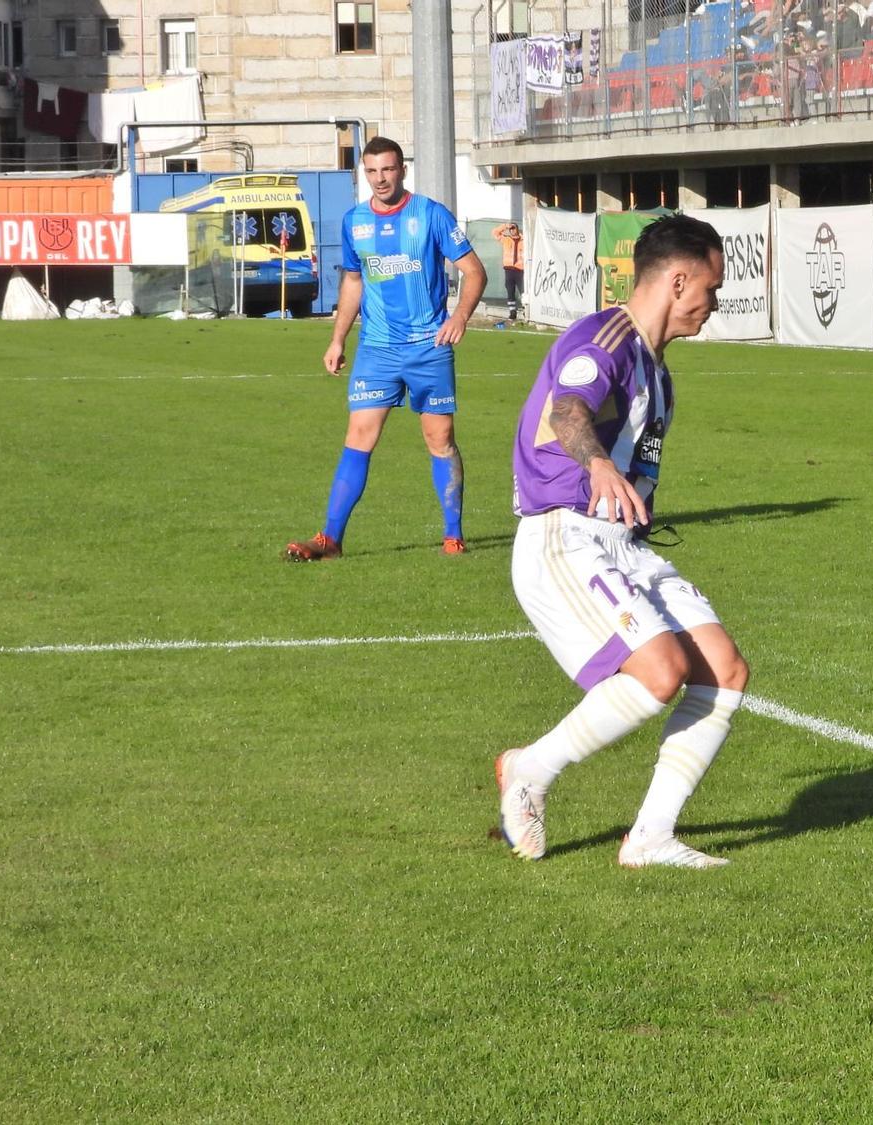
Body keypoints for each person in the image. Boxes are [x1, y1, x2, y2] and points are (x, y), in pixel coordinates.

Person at [496, 214, 750, 869]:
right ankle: (531, 767)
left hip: (621, 544)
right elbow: (568, 410)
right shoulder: (604, 336)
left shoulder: (659, 372)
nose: (712, 304)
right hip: (564, 535)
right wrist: (598, 463)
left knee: (723, 670)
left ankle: (650, 837)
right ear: (679, 278)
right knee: (661, 672)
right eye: (711, 289)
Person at [286, 136, 488, 561]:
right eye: (372, 171)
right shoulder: (354, 221)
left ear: (402, 170)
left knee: (441, 439)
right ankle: (330, 540)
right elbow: (353, 281)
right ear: (365, 173)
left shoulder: (430, 214)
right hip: (377, 349)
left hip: (428, 346)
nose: (380, 178)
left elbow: (473, 271)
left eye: (388, 169)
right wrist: (338, 338)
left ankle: (453, 535)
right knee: (358, 437)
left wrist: (460, 317)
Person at [494, 220, 525, 322]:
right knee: (510, 291)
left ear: (517, 229)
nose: (512, 230)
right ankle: (512, 312)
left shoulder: (524, 240)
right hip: (509, 270)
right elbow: (495, 233)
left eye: (513, 228)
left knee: (523, 291)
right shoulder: (506, 239)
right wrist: (505, 226)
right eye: (510, 229)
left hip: (520, 270)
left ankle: (526, 310)